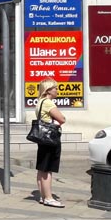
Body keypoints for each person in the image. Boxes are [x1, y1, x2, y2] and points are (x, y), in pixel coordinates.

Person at [34, 78, 66, 208]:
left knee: (42, 168)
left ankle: (43, 196)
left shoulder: (40, 102)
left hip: (42, 139)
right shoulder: (48, 103)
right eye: (55, 88)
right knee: (47, 170)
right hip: (50, 139)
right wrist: (60, 120)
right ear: (48, 90)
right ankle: (48, 198)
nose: (57, 90)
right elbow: (62, 119)